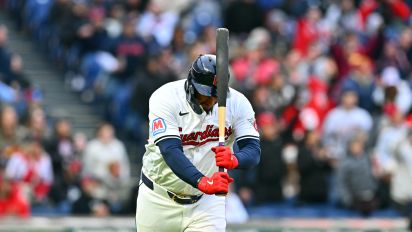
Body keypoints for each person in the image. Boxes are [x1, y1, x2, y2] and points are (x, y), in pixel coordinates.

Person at [135, 54, 261, 232]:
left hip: (206, 202)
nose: (210, 102)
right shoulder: (165, 97)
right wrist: (202, 181)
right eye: (204, 95)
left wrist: (234, 159)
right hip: (159, 197)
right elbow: (170, 150)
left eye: (215, 97)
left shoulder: (238, 103)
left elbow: (253, 150)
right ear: (190, 85)